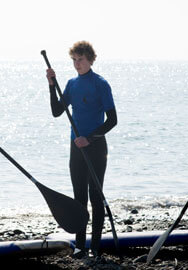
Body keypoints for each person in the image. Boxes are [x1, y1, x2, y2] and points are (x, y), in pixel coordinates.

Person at [45, 41, 117, 259]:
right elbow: (57, 111)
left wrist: (90, 138)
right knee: (79, 198)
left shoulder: (100, 84)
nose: (77, 64)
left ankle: (94, 246)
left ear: (91, 59)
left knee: (95, 196)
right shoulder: (71, 83)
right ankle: (79, 245)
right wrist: (51, 84)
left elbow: (112, 120)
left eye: (81, 60)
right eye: (74, 60)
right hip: (76, 147)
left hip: (95, 147)